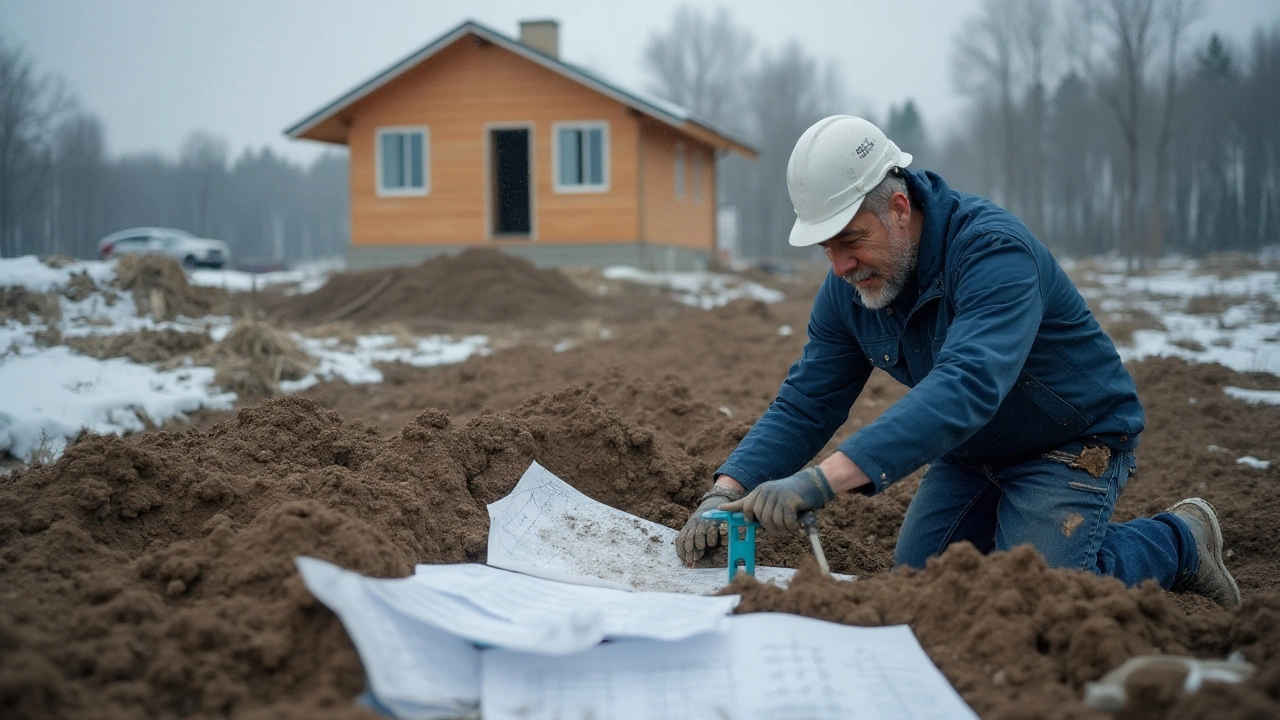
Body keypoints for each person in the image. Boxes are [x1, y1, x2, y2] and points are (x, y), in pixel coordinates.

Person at [675, 115, 1240, 609]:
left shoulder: (992, 252)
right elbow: (808, 400)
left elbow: (966, 385)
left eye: (851, 241)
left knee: (1036, 594)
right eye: (827, 248)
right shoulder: (849, 288)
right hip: (971, 451)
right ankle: (1027, 531)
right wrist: (728, 488)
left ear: (898, 207)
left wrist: (823, 481)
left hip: (1069, 441)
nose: (841, 265)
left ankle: (1180, 540)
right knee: (923, 590)